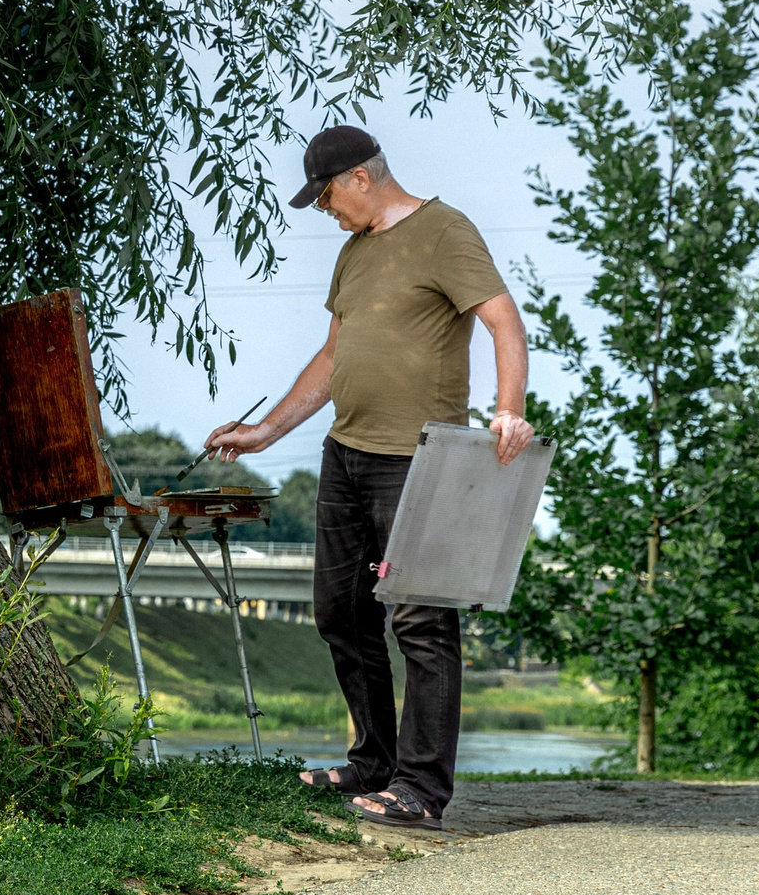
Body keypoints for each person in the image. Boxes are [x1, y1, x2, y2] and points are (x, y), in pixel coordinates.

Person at [204, 125, 534, 832]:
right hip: (345, 453)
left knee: (422, 621)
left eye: (325, 195)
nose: (324, 210)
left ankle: (420, 788)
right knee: (340, 613)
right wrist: (266, 432)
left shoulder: (446, 230)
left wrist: (510, 410)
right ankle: (373, 760)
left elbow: (503, 320)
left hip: (419, 459)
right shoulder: (354, 254)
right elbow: (333, 355)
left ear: (359, 177)